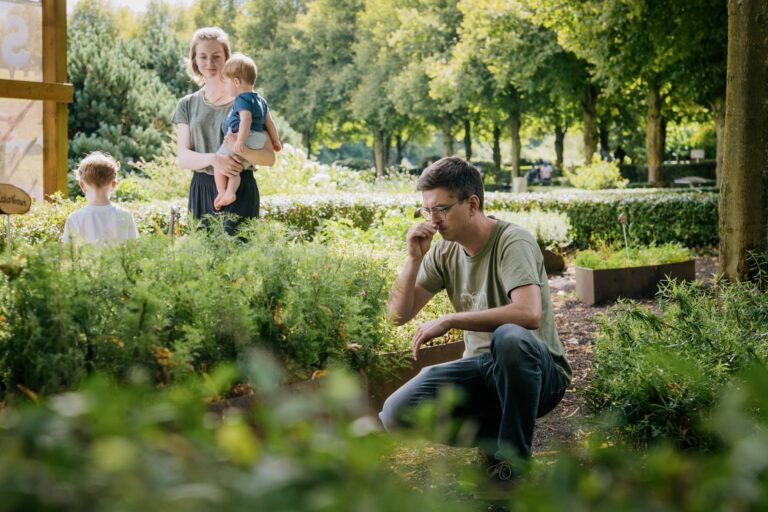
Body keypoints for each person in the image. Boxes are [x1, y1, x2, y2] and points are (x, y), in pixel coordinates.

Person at [380, 157, 571, 499]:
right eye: (426, 211)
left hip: (538, 372)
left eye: (441, 209)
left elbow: (528, 314)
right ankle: (494, 443)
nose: (433, 220)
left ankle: (512, 467)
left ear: (472, 204)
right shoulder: (443, 252)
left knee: (509, 338)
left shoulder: (513, 241)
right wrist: (413, 260)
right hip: (483, 372)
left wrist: (451, 319)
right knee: (395, 413)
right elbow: (397, 315)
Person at [173, 27, 275, 234]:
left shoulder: (248, 101)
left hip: (240, 187)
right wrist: (215, 159)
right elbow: (183, 158)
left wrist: (241, 153)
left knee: (240, 260)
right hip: (201, 188)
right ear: (194, 60)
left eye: (216, 56)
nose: (209, 63)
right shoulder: (187, 104)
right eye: (202, 56)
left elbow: (269, 158)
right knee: (202, 262)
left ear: (228, 59)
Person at [214, 53, 281, 210]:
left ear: (236, 82)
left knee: (220, 163)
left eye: (227, 83)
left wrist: (240, 142)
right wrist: (276, 141)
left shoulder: (242, 99)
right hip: (258, 140)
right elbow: (269, 122)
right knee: (238, 166)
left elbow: (246, 120)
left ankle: (223, 192)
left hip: (244, 138)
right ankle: (230, 191)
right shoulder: (260, 100)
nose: (226, 87)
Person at [61, 151, 138, 244]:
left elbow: (67, 254)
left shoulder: (74, 218)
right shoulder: (125, 216)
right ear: (113, 184)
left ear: (82, 185)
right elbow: (134, 250)